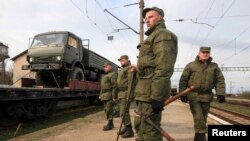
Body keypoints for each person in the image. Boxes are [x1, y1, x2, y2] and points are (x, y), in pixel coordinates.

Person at [132, 7, 178, 141]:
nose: (147, 20)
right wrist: (138, 68)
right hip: (144, 91)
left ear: (161, 17)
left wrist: (157, 96)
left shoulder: (162, 35)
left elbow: (164, 67)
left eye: (151, 17)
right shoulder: (153, 36)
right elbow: (150, 64)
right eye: (145, 19)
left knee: (150, 130)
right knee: (141, 125)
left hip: (151, 92)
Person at [179, 47, 226, 141]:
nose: (205, 54)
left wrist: (220, 93)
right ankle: (201, 137)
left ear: (209, 54)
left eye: (207, 53)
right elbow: (183, 80)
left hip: (207, 96)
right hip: (193, 95)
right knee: (198, 116)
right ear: (199, 53)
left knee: (203, 118)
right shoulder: (191, 66)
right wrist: (182, 94)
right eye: (203, 52)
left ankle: (197, 137)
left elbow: (219, 80)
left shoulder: (214, 66)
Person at [117, 55, 135, 138]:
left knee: (124, 112)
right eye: (120, 60)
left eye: (123, 60)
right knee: (122, 112)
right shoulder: (122, 69)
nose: (121, 61)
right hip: (121, 93)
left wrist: (129, 95)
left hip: (125, 93)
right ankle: (126, 127)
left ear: (127, 60)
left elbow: (130, 83)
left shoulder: (129, 68)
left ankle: (129, 130)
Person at [99, 62, 118, 131]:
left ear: (110, 67)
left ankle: (110, 124)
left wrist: (114, 96)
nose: (105, 68)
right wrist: (100, 94)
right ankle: (110, 123)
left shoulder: (113, 74)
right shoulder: (104, 75)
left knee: (109, 110)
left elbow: (114, 86)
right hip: (104, 95)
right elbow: (102, 87)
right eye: (104, 67)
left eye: (106, 67)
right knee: (106, 110)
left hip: (109, 94)